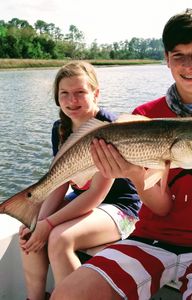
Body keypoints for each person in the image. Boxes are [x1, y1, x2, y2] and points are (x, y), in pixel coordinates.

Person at [50, 8, 192, 300]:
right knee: (67, 294)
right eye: (178, 55)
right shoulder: (144, 117)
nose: (188, 64)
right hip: (149, 239)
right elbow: (161, 207)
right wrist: (130, 172)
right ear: (166, 59)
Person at [18, 61, 141, 300]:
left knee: (59, 239)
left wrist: (50, 225)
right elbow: (58, 183)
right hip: (83, 200)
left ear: (96, 93)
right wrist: (39, 222)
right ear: (57, 98)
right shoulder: (60, 129)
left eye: (80, 93)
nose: (72, 101)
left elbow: (96, 195)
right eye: (64, 94)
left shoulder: (109, 129)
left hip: (121, 208)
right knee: (28, 233)